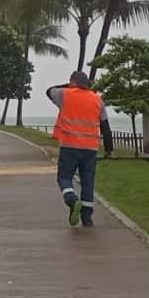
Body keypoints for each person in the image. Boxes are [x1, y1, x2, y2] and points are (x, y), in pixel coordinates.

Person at [47, 71, 105, 227]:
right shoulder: (97, 100)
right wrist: (109, 148)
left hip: (69, 146)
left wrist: (68, 86)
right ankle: (87, 218)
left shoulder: (64, 94)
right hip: (90, 148)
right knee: (88, 182)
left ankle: (72, 200)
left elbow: (49, 90)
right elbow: (105, 126)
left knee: (64, 178)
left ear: (72, 82)